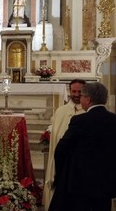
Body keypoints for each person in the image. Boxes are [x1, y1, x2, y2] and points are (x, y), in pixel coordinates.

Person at [49, 82, 116, 211]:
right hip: (107, 180)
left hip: (81, 182)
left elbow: (61, 149)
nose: (80, 99)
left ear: (88, 99)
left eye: (82, 96)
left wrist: (61, 174)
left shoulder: (80, 120)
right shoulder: (114, 119)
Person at [43, 79, 86, 210]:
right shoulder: (60, 111)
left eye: (80, 91)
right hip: (61, 160)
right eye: (74, 91)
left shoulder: (88, 112)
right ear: (69, 91)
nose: (77, 94)